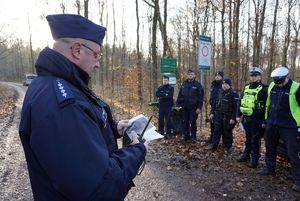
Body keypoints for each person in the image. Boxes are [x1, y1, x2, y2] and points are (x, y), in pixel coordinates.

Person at [18, 14, 147, 201]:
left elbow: (79, 133)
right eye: (96, 54)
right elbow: (100, 187)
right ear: (77, 50)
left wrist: (113, 127)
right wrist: (137, 150)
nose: (97, 63)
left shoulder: (55, 84)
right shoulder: (62, 104)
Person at [257, 66, 300, 192]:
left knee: (293, 153)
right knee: (270, 147)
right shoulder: (272, 86)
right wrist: (266, 120)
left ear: (287, 77)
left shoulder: (297, 88)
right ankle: (269, 168)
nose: (279, 85)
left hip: (290, 126)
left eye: (281, 82)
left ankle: (298, 179)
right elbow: (268, 104)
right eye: (277, 82)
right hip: (272, 123)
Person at [236, 67, 267, 168]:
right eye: (251, 75)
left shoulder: (264, 89)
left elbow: (267, 106)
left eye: (255, 75)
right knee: (248, 137)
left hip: (257, 118)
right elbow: (240, 101)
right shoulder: (246, 87)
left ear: (259, 76)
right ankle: (246, 154)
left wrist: (264, 120)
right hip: (246, 117)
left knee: (255, 138)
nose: (253, 77)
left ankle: (255, 158)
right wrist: (238, 115)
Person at [208, 78, 238, 151]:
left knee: (227, 132)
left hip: (228, 117)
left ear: (229, 85)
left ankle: (227, 146)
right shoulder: (219, 92)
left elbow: (236, 107)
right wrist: (211, 113)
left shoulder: (233, 94)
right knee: (216, 131)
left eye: (226, 84)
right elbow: (215, 104)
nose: (224, 86)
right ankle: (214, 145)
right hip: (218, 115)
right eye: (223, 84)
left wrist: (233, 118)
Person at [176, 69, 204, 144]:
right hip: (184, 107)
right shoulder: (184, 84)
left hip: (194, 108)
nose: (190, 75)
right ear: (187, 75)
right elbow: (180, 95)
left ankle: (193, 137)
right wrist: (178, 104)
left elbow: (201, 97)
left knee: (193, 122)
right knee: (185, 122)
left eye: (192, 74)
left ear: (194, 75)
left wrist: (199, 108)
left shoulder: (198, 85)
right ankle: (186, 136)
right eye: (189, 74)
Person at [209, 71, 224, 142]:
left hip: (220, 108)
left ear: (221, 77)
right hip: (213, 106)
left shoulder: (223, 85)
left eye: (219, 75)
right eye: (216, 75)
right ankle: (212, 137)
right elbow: (211, 94)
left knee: (218, 125)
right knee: (212, 123)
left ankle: (217, 140)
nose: (217, 76)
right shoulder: (213, 84)